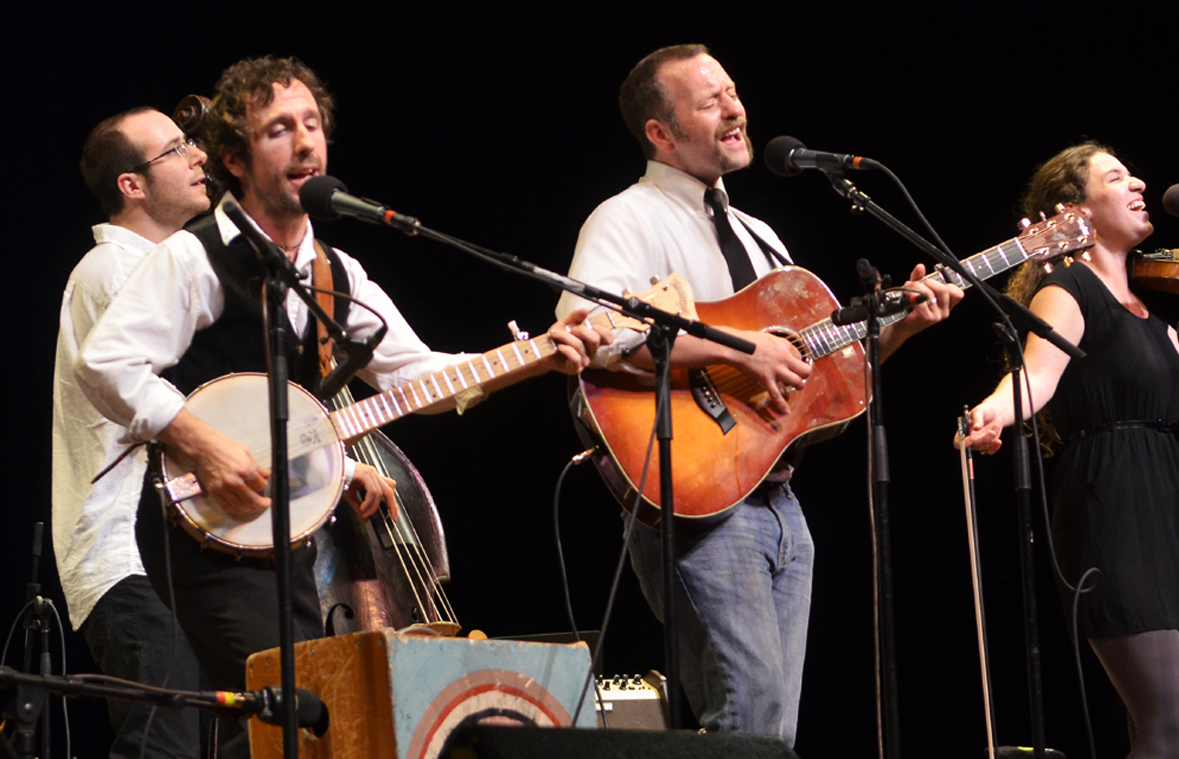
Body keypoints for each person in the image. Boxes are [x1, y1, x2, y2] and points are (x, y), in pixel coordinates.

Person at [75, 56, 606, 758]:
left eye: (312, 125)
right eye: (277, 130)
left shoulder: (334, 272)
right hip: (197, 529)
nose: (304, 143)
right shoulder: (192, 260)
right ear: (232, 157)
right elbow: (105, 363)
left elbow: (419, 374)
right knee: (298, 707)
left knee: (278, 722)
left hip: (285, 531)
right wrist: (201, 440)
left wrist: (537, 354)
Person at [556, 44, 960, 747]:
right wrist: (741, 348)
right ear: (661, 131)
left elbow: (822, 379)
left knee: (774, 730)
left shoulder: (761, 237)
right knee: (747, 715)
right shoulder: (626, 218)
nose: (735, 108)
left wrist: (903, 328)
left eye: (733, 92)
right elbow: (589, 331)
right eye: (710, 101)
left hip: (778, 501)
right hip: (697, 500)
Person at [962, 142, 1179, 759]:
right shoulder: (1067, 289)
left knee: (1175, 730)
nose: (1138, 186)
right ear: (1074, 209)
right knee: (1170, 727)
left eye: (1133, 175)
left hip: (1165, 520)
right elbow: (1036, 378)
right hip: (1110, 509)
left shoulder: (1152, 323)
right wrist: (995, 410)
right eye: (1116, 177)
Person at [54, 106, 212, 759]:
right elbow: (193, 414)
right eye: (177, 149)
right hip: (125, 557)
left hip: (174, 552)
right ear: (132, 184)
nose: (199, 156)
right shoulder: (113, 272)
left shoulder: (168, 272)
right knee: (163, 742)